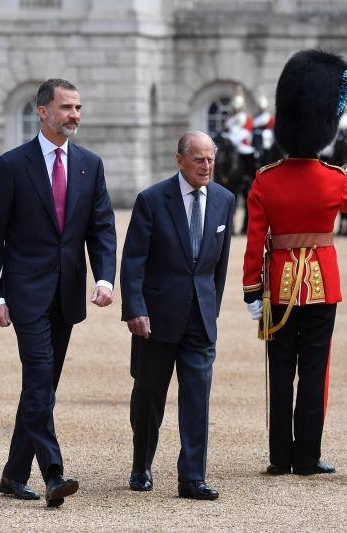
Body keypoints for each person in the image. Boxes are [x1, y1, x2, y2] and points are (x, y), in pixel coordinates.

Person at [0, 78, 117, 507]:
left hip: (68, 294)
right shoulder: (13, 164)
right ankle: (54, 474)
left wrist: (104, 278)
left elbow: (102, 228)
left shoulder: (89, 164)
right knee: (40, 379)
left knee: (41, 387)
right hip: (25, 293)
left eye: (77, 108)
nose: (74, 115)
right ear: (43, 111)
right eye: (66, 108)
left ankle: (13, 474)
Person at [242, 50, 347, 476]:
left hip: (278, 284)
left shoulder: (266, 178)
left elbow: (255, 240)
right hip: (321, 284)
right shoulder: (334, 179)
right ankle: (307, 456)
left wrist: (251, 292)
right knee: (314, 372)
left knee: (281, 372)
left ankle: (280, 457)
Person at [120, 131, 234, 500]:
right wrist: (135, 310)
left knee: (198, 397)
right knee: (149, 396)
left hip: (201, 318)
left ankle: (192, 477)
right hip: (156, 319)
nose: (206, 166)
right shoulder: (151, 200)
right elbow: (133, 261)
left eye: (211, 159)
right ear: (180, 160)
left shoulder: (224, 200)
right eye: (199, 159)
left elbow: (219, 265)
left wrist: (212, 310)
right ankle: (142, 464)